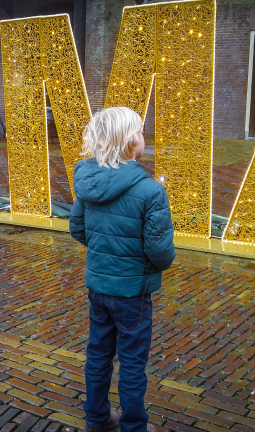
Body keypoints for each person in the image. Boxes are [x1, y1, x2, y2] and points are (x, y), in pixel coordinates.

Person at [69, 107, 176, 432]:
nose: (143, 138)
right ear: (132, 142)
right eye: (141, 132)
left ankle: (97, 419)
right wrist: (150, 263)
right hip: (133, 295)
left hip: (99, 290)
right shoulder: (151, 191)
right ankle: (134, 427)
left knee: (98, 355)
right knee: (132, 362)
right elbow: (160, 251)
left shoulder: (88, 182)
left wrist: (105, 251)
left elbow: (77, 228)